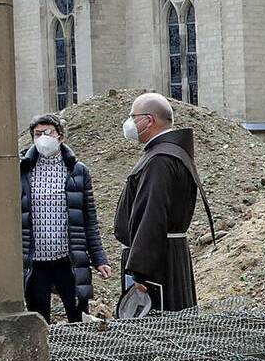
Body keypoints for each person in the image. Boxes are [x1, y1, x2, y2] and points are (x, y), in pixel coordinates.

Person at [112, 92, 206, 312]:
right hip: (167, 256)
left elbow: (152, 215)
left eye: (133, 117)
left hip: (158, 265)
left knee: (159, 327)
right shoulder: (167, 154)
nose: (130, 122)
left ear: (149, 120)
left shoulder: (160, 161)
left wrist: (140, 271)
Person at [19, 113, 113, 323]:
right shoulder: (22, 170)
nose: (43, 138)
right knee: (40, 321)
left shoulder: (77, 171)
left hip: (69, 260)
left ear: (60, 137)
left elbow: (89, 220)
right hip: (35, 262)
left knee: (78, 317)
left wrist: (99, 259)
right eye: (38, 134)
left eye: (48, 133)